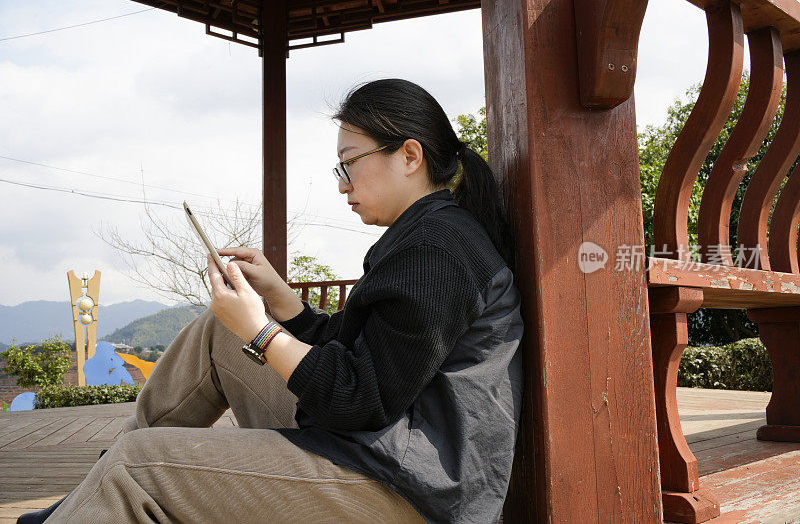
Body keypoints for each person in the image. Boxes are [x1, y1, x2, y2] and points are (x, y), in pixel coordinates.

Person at [20, 78, 524, 524]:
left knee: (138, 467)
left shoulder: (436, 252)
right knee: (219, 334)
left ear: (410, 156)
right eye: (339, 169)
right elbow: (361, 358)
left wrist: (261, 332)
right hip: (380, 449)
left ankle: (111, 487)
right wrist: (282, 301)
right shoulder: (426, 237)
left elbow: (357, 398)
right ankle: (92, 496)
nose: (344, 184)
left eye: (351, 163)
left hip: (407, 489)